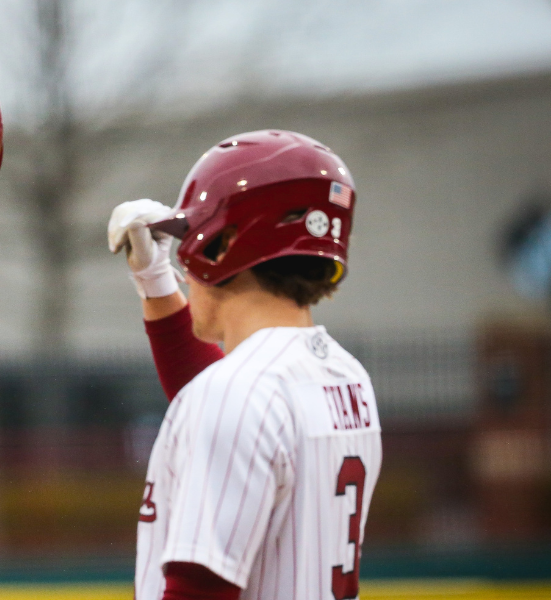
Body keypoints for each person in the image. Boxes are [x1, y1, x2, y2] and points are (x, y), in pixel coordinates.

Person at [107, 130, 382, 600]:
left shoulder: (236, 394)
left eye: (193, 233)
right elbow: (232, 410)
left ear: (225, 242)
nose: (188, 256)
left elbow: (199, 590)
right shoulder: (347, 375)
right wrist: (155, 280)